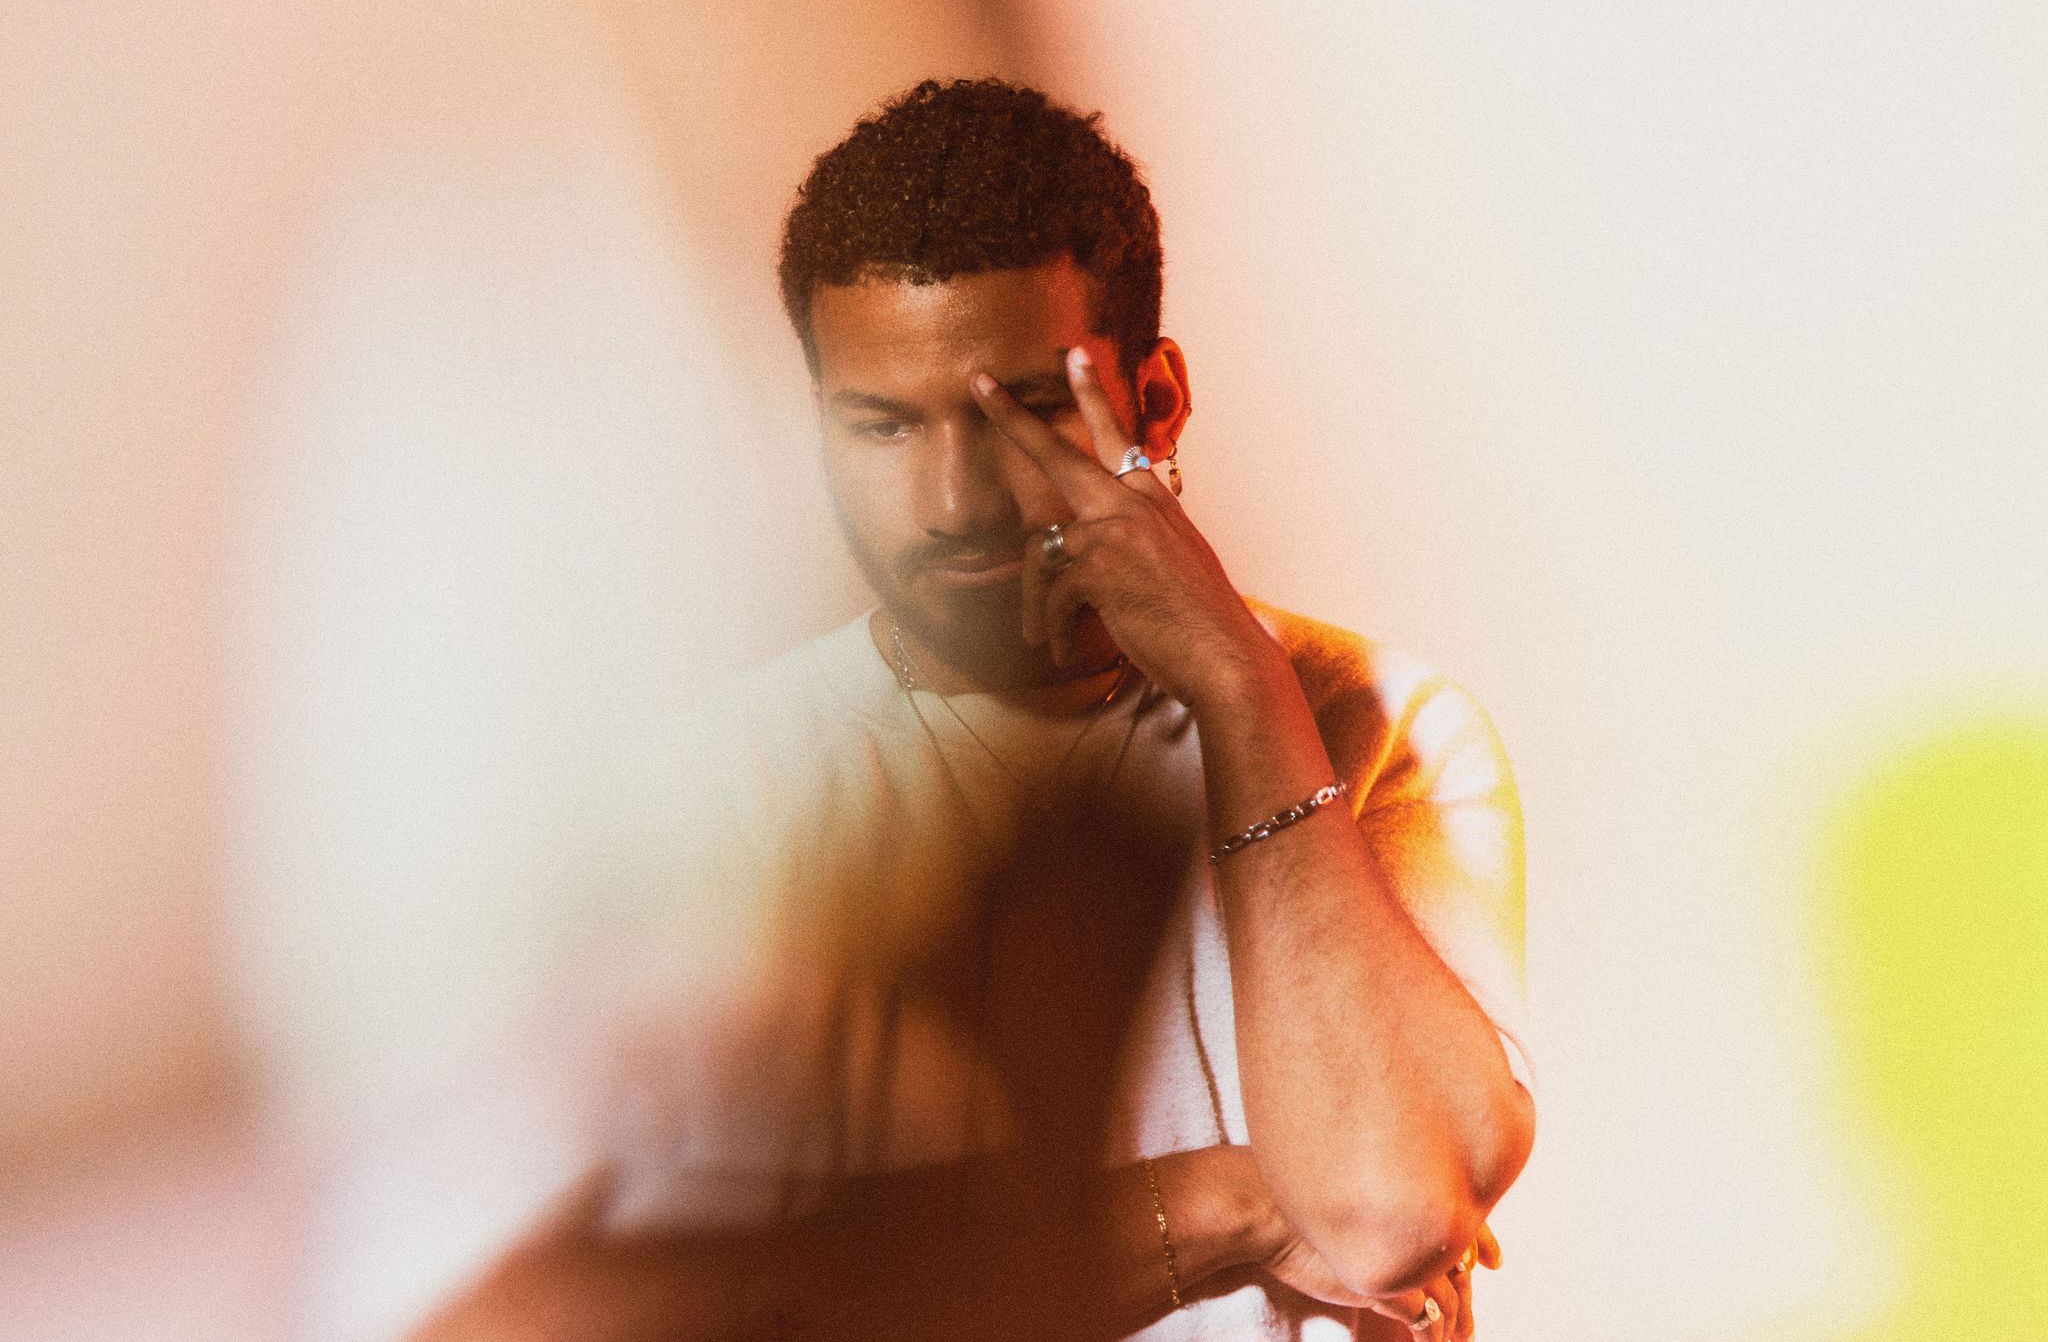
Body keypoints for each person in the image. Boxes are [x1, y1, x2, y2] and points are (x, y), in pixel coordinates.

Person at [402, 77, 1534, 1342]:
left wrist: (1234, 684)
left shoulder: (1381, 728)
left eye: (1025, 410)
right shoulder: (714, 793)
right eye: (881, 426)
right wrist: (1235, 1198)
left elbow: (1388, 1219)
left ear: (1150, 400)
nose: (953, 502)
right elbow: (615, 1314)